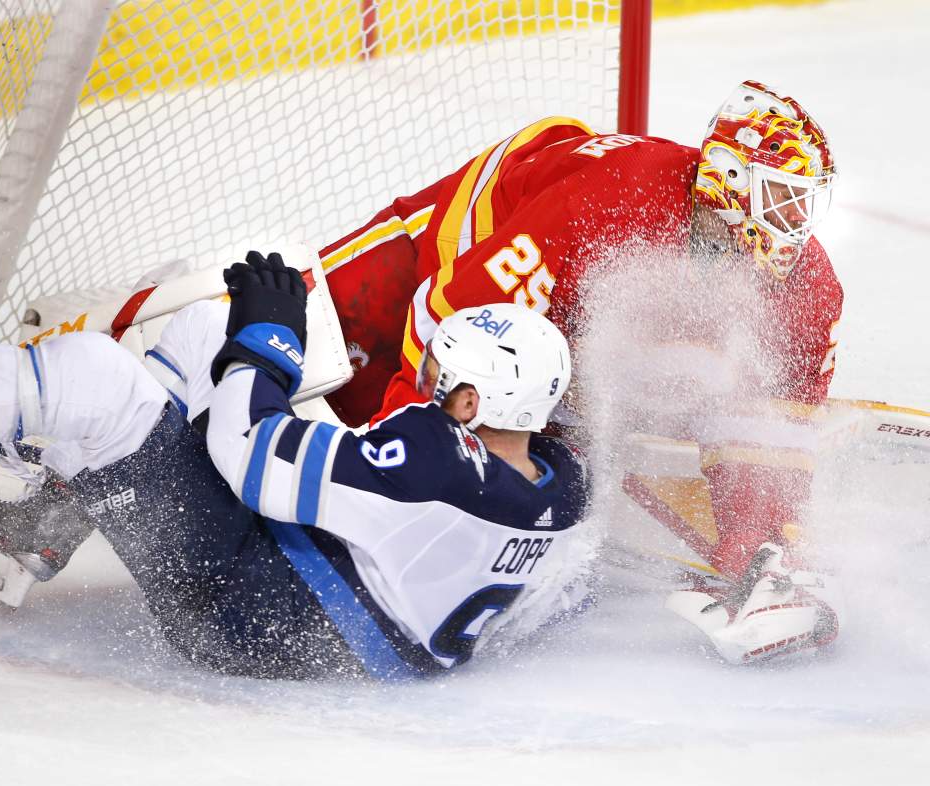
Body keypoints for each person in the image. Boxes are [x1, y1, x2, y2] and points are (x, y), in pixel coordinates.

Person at [0, 252, 590, 681]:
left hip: (251, 613)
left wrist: (269, 340)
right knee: (200, 333)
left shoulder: (435, 459)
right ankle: (41, 530)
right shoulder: (556, 485)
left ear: (474, 402)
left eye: (444, 372)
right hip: (319, 614)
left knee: (99, 386)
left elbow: (251, 457)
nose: (426, 376)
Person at [312, 80, 842, 663]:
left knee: (534, 431)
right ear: (730, 178)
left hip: (546, 318)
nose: (796, 223)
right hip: (437, 248)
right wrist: (410, 469)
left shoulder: (810, 286)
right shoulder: (611, 199)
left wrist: (761, 547)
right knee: (310, 353)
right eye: (782, 197)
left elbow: (777, 424)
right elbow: (446, 318)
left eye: (805, 202)